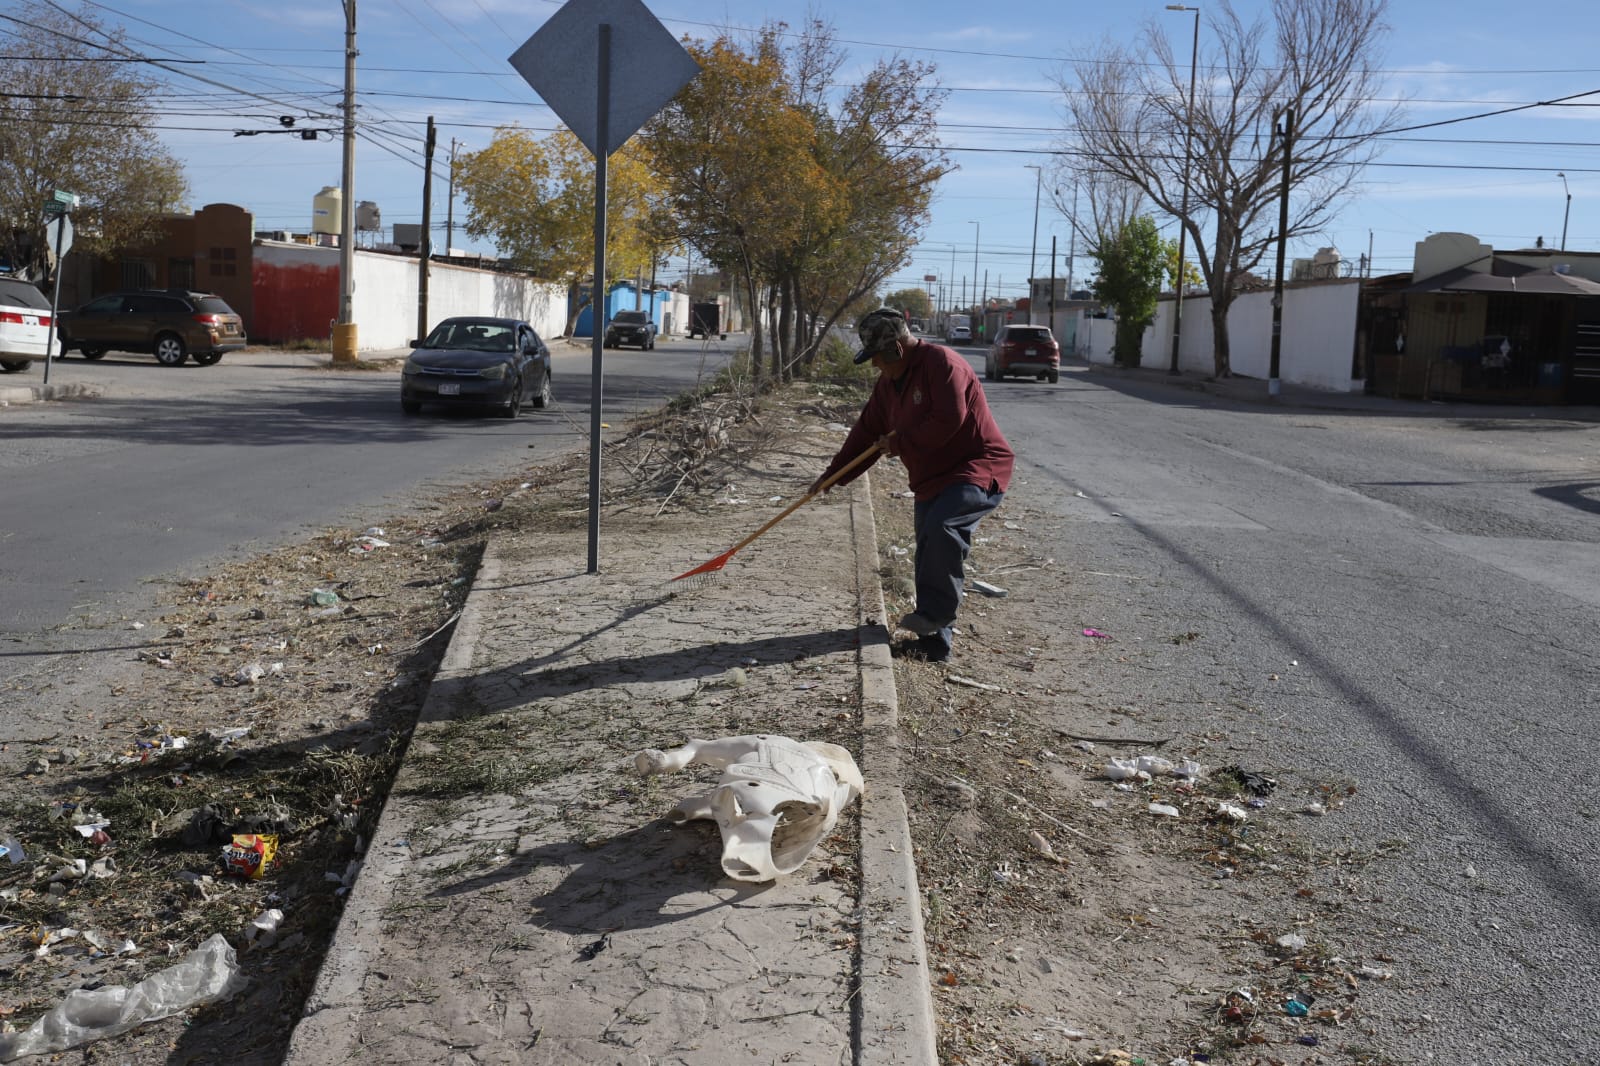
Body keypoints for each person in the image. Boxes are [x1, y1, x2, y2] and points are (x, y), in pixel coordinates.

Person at [812, 308, 1014, 663]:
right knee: (928, 548)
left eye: (877, 358)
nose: (876, 366)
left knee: (942, 530)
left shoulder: (942, 364)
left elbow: (948, 420)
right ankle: (936, 642)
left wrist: (899, 443)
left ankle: (935, 619)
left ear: (896, 350)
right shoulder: (889, 384)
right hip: (931, 476)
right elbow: (866, 433)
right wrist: (833, 476)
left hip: (976, 467)